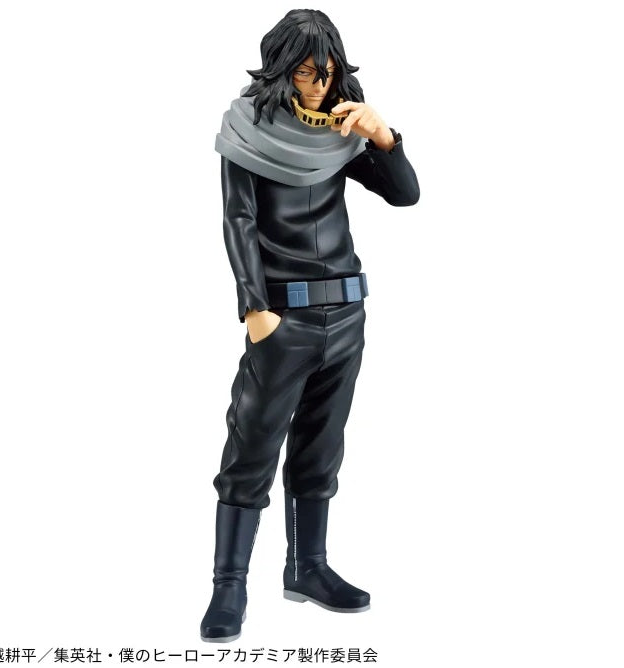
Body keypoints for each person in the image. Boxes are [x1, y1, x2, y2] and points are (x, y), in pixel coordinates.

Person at [200, 9, 420, 643]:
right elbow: (238, 220)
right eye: (304, 72)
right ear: (281, 70)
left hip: (346, 311)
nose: (317, 84)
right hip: (283, 316)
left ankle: (308, 568)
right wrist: (254, 308)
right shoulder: (248, 131)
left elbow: (405, 194)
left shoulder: (338, 135)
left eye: (325, 72)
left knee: (322, 448)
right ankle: (229, 585)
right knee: (252, 446)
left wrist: (384, 136)